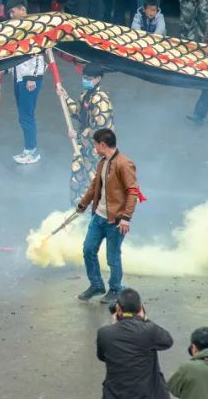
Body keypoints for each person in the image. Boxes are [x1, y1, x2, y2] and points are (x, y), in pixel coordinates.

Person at [76, 128, 141, 305]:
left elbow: (133, 192)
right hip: (98, 217)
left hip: (116, 221)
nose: (95, 148)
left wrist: (126, 217)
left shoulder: (124, 164)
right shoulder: (102, 163)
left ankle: (115, 289)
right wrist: (83, 204)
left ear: (103, 145)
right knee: (88, 250)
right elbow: (94, 187)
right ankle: (97, 285)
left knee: (112, 258)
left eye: (96, 144)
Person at [96, 288, 174, 398]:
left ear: (118, 308)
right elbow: (168, 341)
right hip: (149, 394)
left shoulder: (104, 333)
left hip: (115, 395)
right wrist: (145, 319)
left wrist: (113, 326)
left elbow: (102, 356)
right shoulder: (149, 330)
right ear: (140, 308)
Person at [58, 64, 114, 199]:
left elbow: (101, 130)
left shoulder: (102, 100)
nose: (85, 80)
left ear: (98, 79)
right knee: (77, 178)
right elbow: (79, 113)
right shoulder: (86, 95)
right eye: (84, 77)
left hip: (97, 150)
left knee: (94, 181)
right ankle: (78, 207)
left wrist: (79, 135)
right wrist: (65, 97)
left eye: (88, 78)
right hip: (83, 146)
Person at [7, 0, 45, 164]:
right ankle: (28, 149)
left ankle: (32, 150)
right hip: (19, 77)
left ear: (22, 9)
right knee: (24, 115)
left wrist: (31, 78)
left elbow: (39, 55)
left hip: (29, 79)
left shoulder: (34, 28)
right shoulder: (17, 29)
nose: (11, 15)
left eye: (13, 11)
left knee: (26, 116)